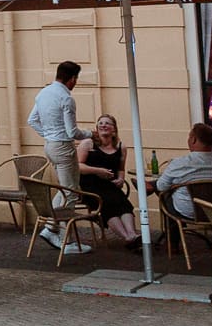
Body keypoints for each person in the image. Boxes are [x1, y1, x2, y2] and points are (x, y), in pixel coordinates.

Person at [27, 61, 88, 243]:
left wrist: (48, 134)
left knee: (64, 188)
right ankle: (63, 239)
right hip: (63, 146)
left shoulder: (43, 93)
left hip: (50, 146)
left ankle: (50, 226)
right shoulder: (66, 98)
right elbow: (72, 132)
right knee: (70, 192)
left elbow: (32, 120)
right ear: (72, 79)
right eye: (76, 79)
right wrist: (90, 134)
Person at [76, 114, 140, 244]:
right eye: (100, 123)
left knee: (123, 203)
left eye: (107, 123)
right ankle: (127, 237)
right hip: (89, 186)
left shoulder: (121, 147)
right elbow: (77, 166)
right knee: (107, 203)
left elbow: (120, 169)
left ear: (114, 129)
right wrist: (97, 171)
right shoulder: (88, 144)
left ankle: (132, 234)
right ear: (97, 128)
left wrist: (121, 179)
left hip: (109, 185)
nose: (103, 125)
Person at [154, 122, 212, 218]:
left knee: (165, 194)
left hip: (189, 212)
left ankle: (175, 232)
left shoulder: (179, 163)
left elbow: (161, 186)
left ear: (193, 140)